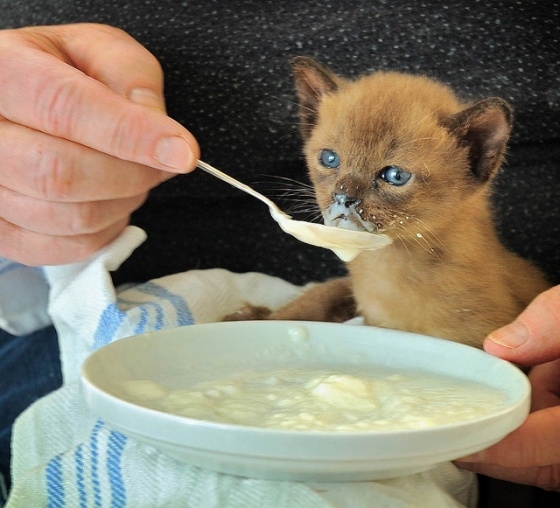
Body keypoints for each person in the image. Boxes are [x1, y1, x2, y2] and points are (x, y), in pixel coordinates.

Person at [0, 1, 558, 503]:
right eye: (331, 164)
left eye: (392, 176)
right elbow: (357, 291)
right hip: (92, 313)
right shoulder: (374, 246)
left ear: (478, 152)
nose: (344, 198)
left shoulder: (466, 281)